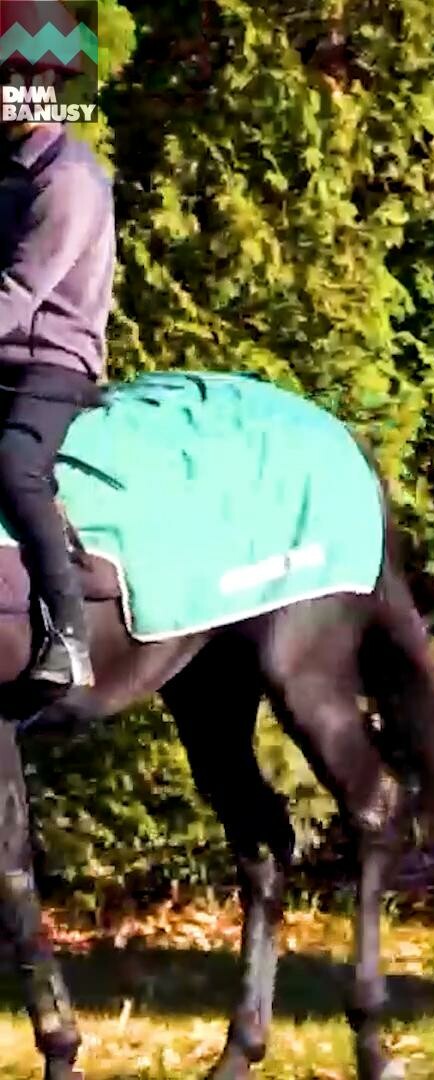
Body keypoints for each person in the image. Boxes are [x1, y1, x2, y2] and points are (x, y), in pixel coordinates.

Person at [0, 23, 114, 688]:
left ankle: (69, 637)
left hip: (54, 361)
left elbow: (17, 294)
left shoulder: (69, 181)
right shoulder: (13, 171)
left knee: (14, 465)